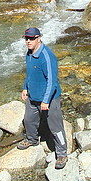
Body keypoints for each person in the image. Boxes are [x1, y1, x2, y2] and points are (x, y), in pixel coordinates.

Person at [18, 27, 68, 170]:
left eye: (32, 38)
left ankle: (62, 153)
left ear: (39, 38)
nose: (28, 41)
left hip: (49, 98)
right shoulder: (29, 53)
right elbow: (29, 73)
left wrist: (46, 100)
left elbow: (51, 81)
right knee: (28, 119)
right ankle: (32, 140)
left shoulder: (47, 56)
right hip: (33, 96)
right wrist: (25, 87)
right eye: (26, 38)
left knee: (56, 126)